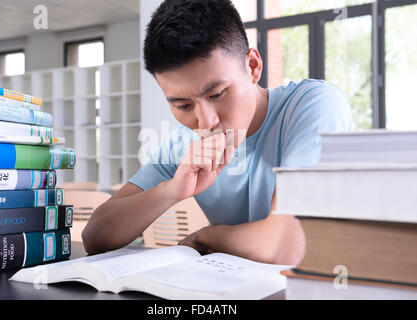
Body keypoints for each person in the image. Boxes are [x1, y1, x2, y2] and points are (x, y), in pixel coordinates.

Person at [82, 0, 353, 264]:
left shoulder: (314, 106)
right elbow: (95, 236)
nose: (206, 121)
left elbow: (287, 246)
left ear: (253, 67)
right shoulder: (182, 144)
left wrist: (206, 237)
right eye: (183, 105)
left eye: (217, 93)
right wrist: (172, 190)